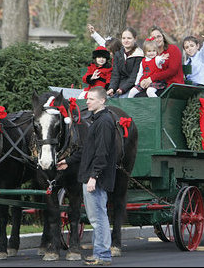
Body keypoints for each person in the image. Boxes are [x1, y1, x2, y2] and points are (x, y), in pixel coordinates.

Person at [57, 86, 116, 266]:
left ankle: (103, 255)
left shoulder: (104, 121)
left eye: (91, 99)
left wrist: (94, 177)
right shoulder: (97, 120)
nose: (87, 101)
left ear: (102, 101)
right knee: (97, 217)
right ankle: (100, 253)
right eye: (88, 98)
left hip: (96, 178)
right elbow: (86, 150)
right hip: (91, 176)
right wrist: (67, 161)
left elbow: (102, 153)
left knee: (98, 218)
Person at [136, 26, 184, 97]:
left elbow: (172, 70)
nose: (157, 40)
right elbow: (147, 71)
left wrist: (151, 78)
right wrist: (143, 81)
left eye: (159, 36)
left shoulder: (173, 49)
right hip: (157, 85)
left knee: (144, 97)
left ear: (163, 37)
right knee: (137, 96)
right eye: (154, 38)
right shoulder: (152, 54)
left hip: (172, 85)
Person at [106, 27, 144, 98]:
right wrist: (112, 88)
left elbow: (134, 77)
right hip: (119, 86)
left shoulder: (139, 55)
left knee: (123, 98)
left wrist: (122, 89)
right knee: (107, 99)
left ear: (135, 39)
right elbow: (115, 75)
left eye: (129, 38)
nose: (126, 41)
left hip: (133, 86)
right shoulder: (118, 54)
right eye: (124, 38)